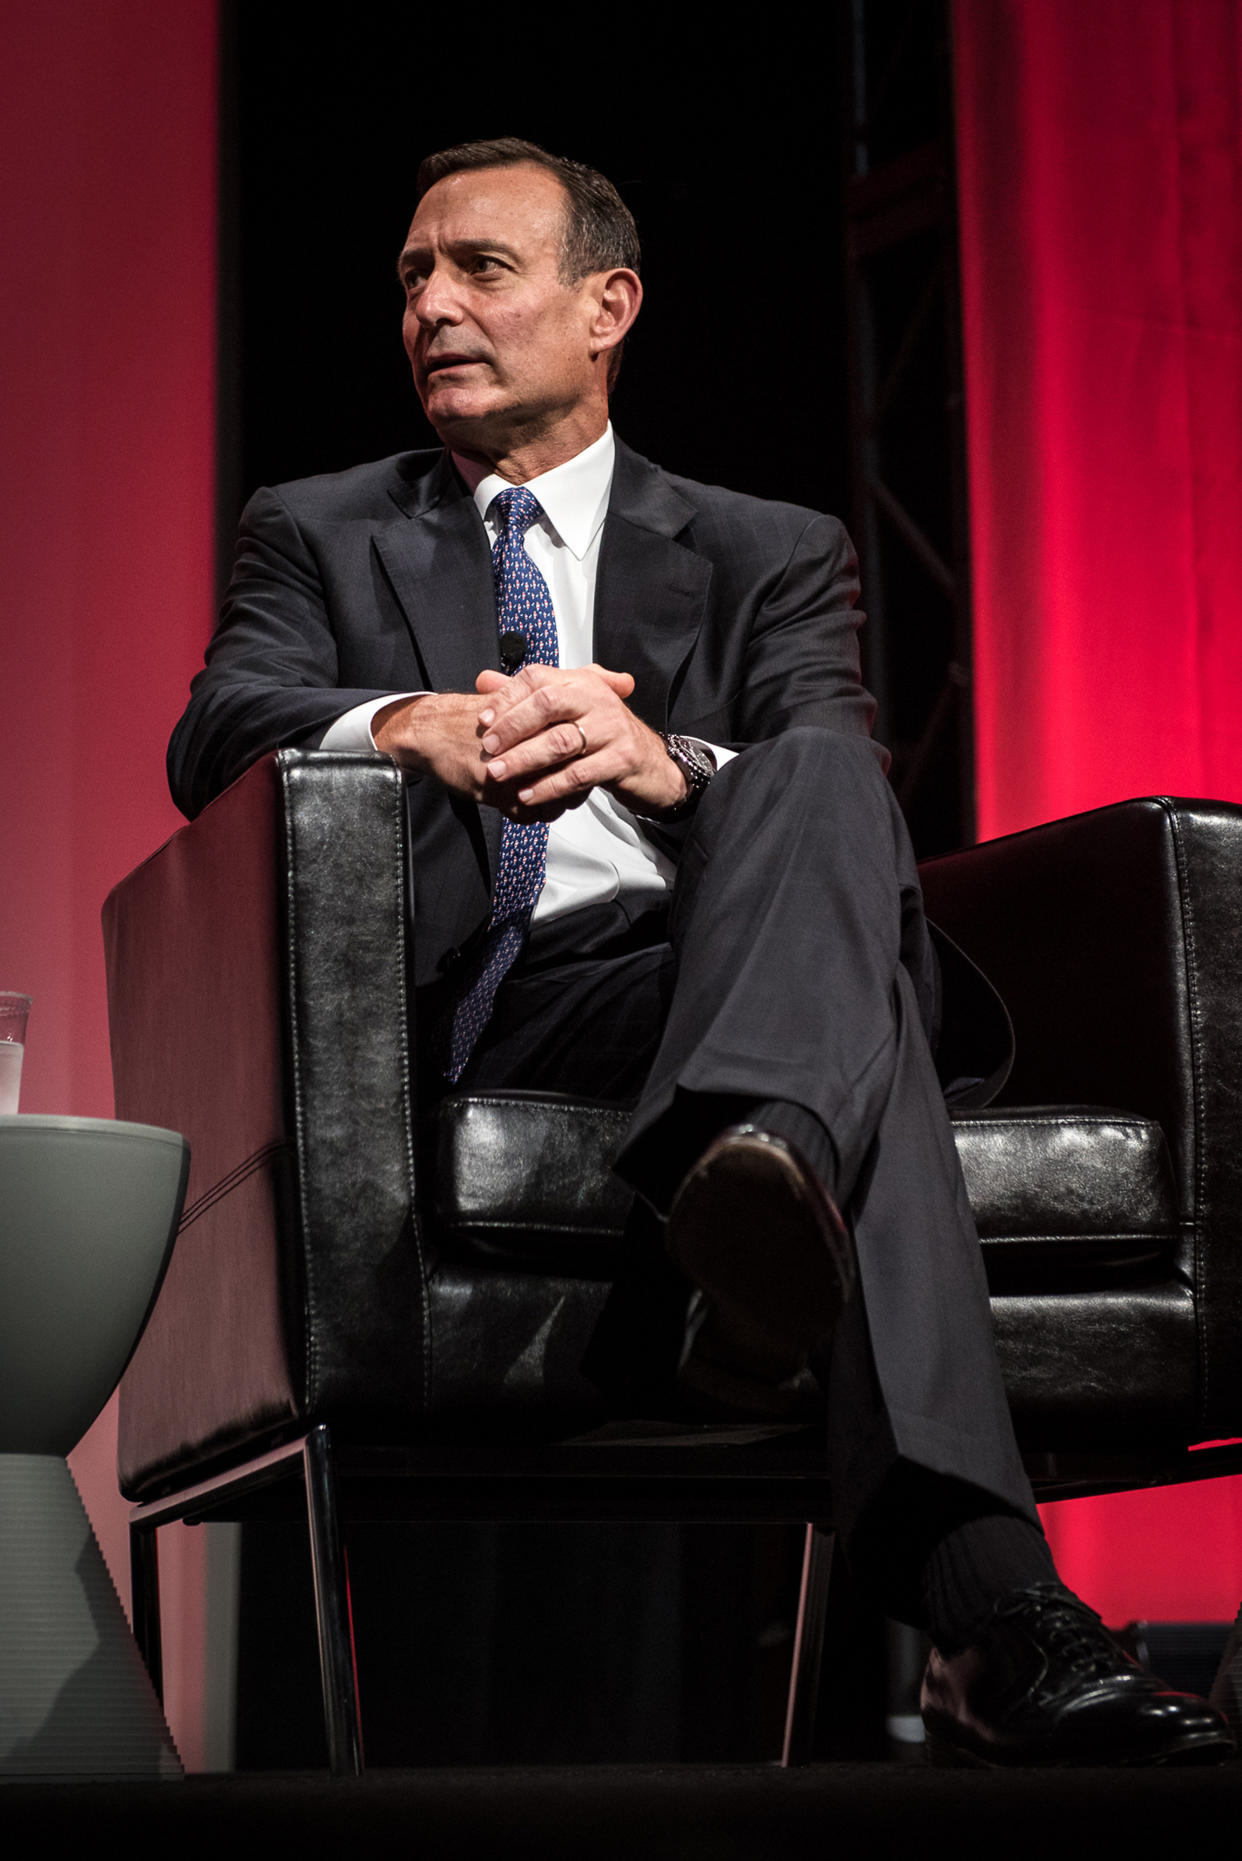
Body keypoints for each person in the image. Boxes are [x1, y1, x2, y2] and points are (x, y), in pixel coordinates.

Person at [169, 138, 1232, 1767]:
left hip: (726, 956)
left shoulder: (765, 545)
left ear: (610, 306)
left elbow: (827, 771)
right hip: (511, 997)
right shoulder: (318, 530)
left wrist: (665, 764)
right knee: (862, 1009)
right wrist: (413, 723)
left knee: (806, 773)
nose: (432, 307)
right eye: (411, 277)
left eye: (479, 269)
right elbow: (218, 729)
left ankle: (760, 1159)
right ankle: (986, 1603)